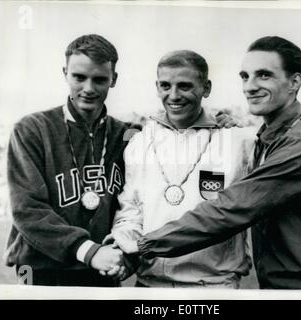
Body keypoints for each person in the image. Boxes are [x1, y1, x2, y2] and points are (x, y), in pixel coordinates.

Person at [4, 34, 236, 286]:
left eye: (100, 79)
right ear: (65, 73)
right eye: (79, 77)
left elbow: (138, 203)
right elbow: (27, 210)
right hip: (44, 269)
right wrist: (88, 251)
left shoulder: (129, 136)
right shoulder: (32, 129)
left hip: (105, 268)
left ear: (114, 80)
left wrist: (216, 122)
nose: (89, 88)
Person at [131, 36, 301, 289]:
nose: (250, 86)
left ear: (295, 81)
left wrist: (142, 245)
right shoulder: (266, 139)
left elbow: (229, 210)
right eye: (245, 76)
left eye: (264, 75)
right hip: (286, 285)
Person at [104, 50, 254, 288]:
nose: (173, 95)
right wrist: (122, 247)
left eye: (184, 86)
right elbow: (130, 210)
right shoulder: (140, 142)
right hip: (150, 285)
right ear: (157, 87)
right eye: (165, 86)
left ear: (206, 88)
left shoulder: (238, 142)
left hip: (213, 286)